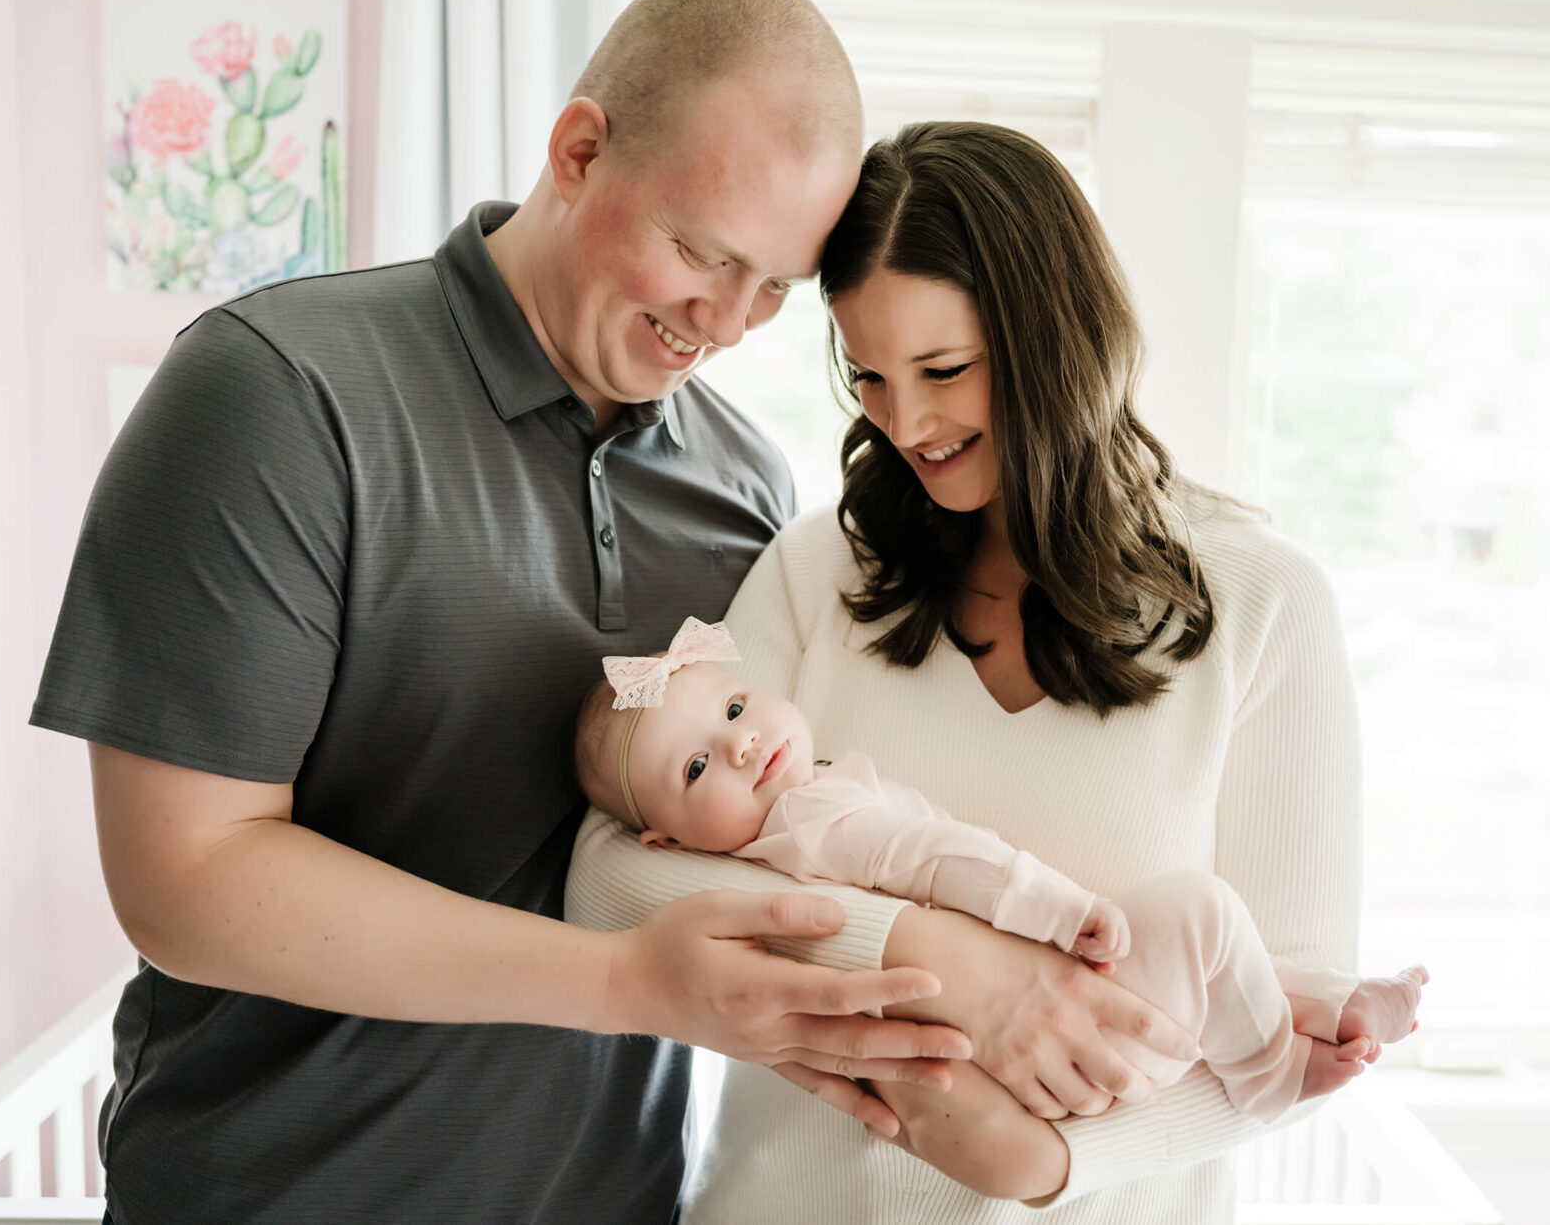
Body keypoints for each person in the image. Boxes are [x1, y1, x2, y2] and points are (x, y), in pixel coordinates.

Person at [28, 0, 1214, 1222]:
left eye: (773, 287)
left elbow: (787, 828)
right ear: (579, 149)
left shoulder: (745, 486)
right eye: (702, 252)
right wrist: (622, 981)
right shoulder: (277, 394)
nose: (726, 321)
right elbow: (185, 882)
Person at [565, 119, 1366, 1221]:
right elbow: (609, 886)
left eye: (944, 370)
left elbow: (1302, 1027)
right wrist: (930, 954)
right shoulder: (817, 572)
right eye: (870, 378)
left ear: (1056, 342)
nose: (909, 424)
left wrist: (1041, 1162)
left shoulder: (1265, 607)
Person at [570, 619, 1425, 1150]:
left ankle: (1330, 1000)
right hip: (1050, 1045)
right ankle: (1274, 1074)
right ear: (663, 836)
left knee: (1212, 954)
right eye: (695, 766)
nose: (743, 746)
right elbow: (942, 859)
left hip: (1023, 1044)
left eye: (733, 710)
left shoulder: (767, 843)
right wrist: (1066, 909)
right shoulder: (818, 820)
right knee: (1200, 913)